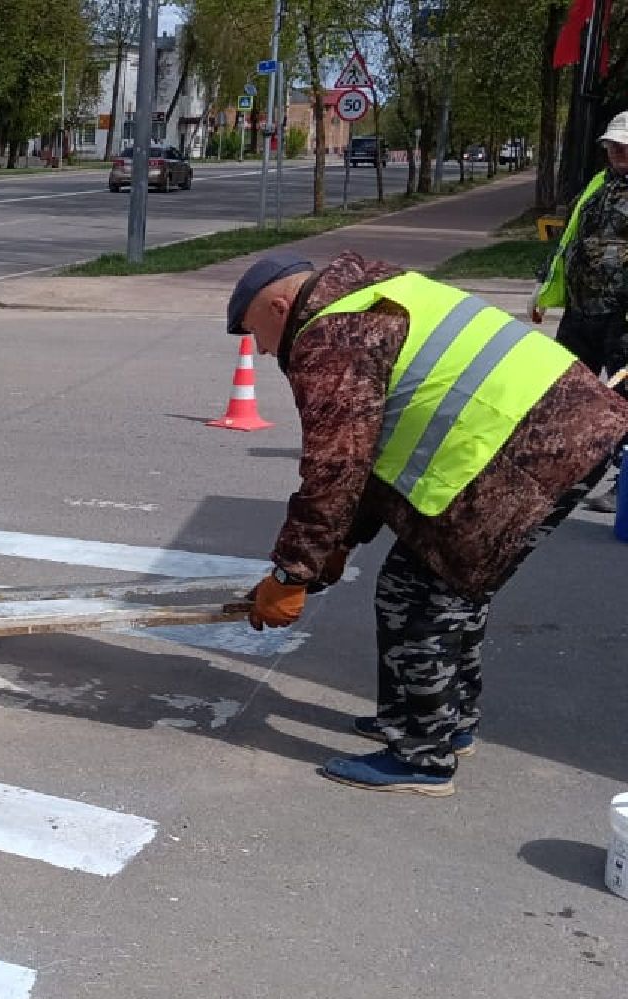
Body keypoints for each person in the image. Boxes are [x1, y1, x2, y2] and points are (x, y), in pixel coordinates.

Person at [227, 249, 628, 796]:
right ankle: (440, 723)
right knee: (446, 588)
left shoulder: (330, 336)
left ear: (280, 306)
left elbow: (336, 468)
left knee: (420, 596)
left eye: (258, 333)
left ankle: (423, 754)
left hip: (531, 447)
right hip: (557, 429)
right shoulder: (370, 288)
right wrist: (339, 545)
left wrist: (292, 573)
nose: (263, 350)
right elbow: (368, 459)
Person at [531, 110, 628, 514]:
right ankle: (559, 476)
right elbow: (570, 239)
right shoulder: (598, 184)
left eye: (625, 146)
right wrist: (544, 288)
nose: (618, 152)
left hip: (622, 317)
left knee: (624, 401)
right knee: (566, 392)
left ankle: (623, 486)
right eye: (613, 145)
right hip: (581, 310)